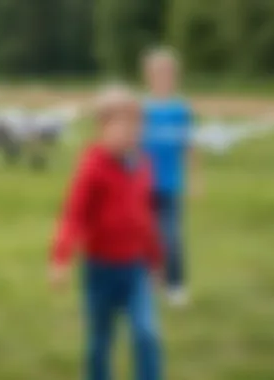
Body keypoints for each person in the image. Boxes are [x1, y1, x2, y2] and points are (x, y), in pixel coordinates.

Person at [49, 87, 164, 380]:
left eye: (137, 126)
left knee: (147, 333)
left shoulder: (143, 165)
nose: (131, 133)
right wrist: (61, 258)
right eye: (122, 126)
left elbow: (145, 219)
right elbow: (73, 215)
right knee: (100, 340)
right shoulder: (91, 167)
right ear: (102, 128)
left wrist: (155, 261)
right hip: (99, 269)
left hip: (135, 268)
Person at [141, 47, 202, 306]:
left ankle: (176, 285)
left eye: (167, 73)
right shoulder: (141, 108)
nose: (162, 78)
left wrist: (195, 178)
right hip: (142, 185)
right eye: (157, 73)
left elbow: (190, 146)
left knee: (172, 236)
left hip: (169, 184)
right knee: (145, 235)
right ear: (148, 76)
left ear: (175, 76)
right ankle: (152, 281)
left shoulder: (181, 110)